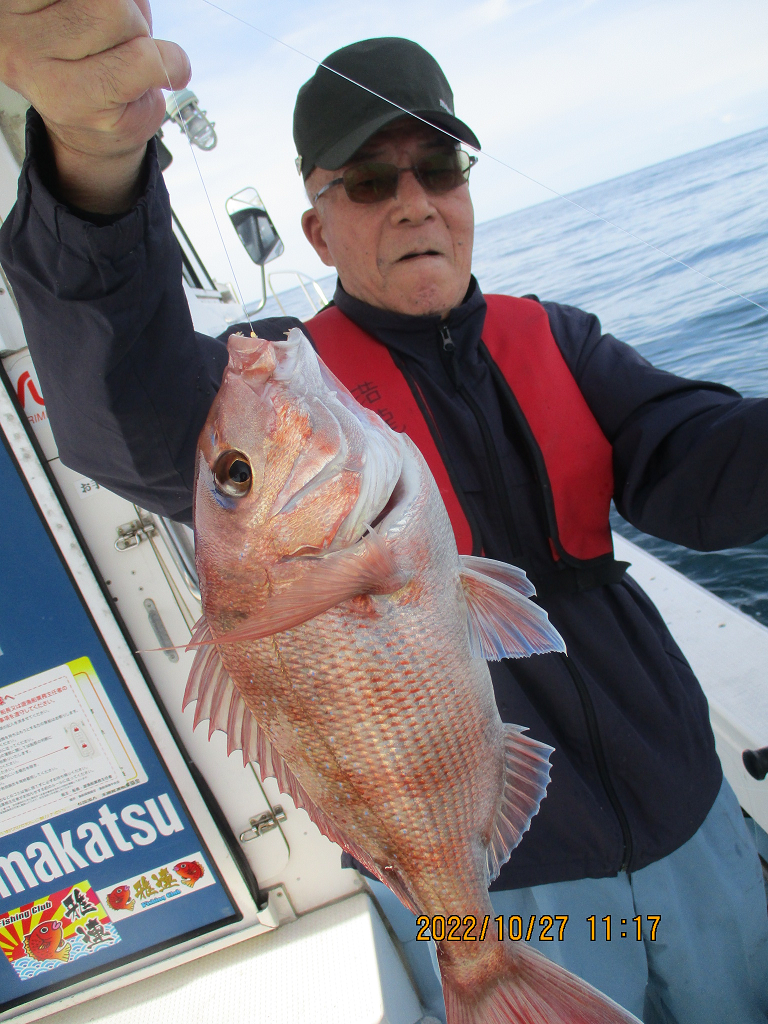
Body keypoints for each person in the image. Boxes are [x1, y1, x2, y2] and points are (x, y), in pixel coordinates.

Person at [1, 5, 767, 1022]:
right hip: (491, 891)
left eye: (439, 170)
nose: (413, 203)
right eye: (369, 182)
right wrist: (93, 164)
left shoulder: (559, 340)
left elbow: (703, 474)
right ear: (317, 227)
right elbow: (120, 410)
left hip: (691, 819)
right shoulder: (279, 383)